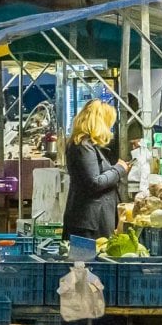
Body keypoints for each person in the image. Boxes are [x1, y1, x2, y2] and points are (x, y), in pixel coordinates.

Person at [63, 99, 129, 241]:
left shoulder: (86, 146)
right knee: (86, 256)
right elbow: (94, 182)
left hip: (91, 222)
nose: (109, 128)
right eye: (108, 123)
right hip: (88, 225)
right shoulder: (83, 147)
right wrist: (119, 169)